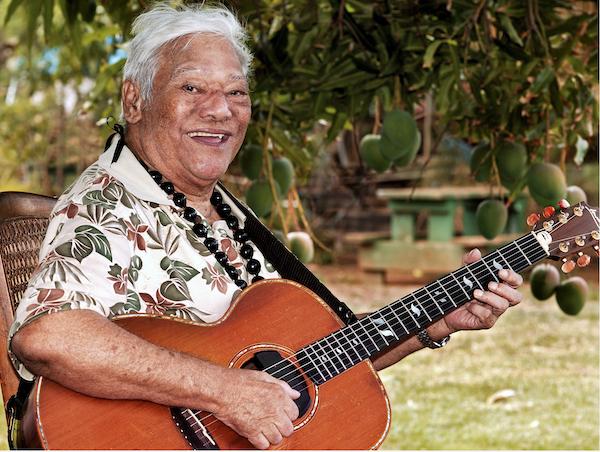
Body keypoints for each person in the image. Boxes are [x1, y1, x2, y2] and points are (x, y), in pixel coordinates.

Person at [9, 3, 523, 450]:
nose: (220, 111)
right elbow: (47, 337)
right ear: (134, 100)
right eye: (192, 87)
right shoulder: (108, 203)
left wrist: (432, 324)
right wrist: (221, 390)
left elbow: (306, 368)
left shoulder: (222, 208)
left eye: (236, 93)